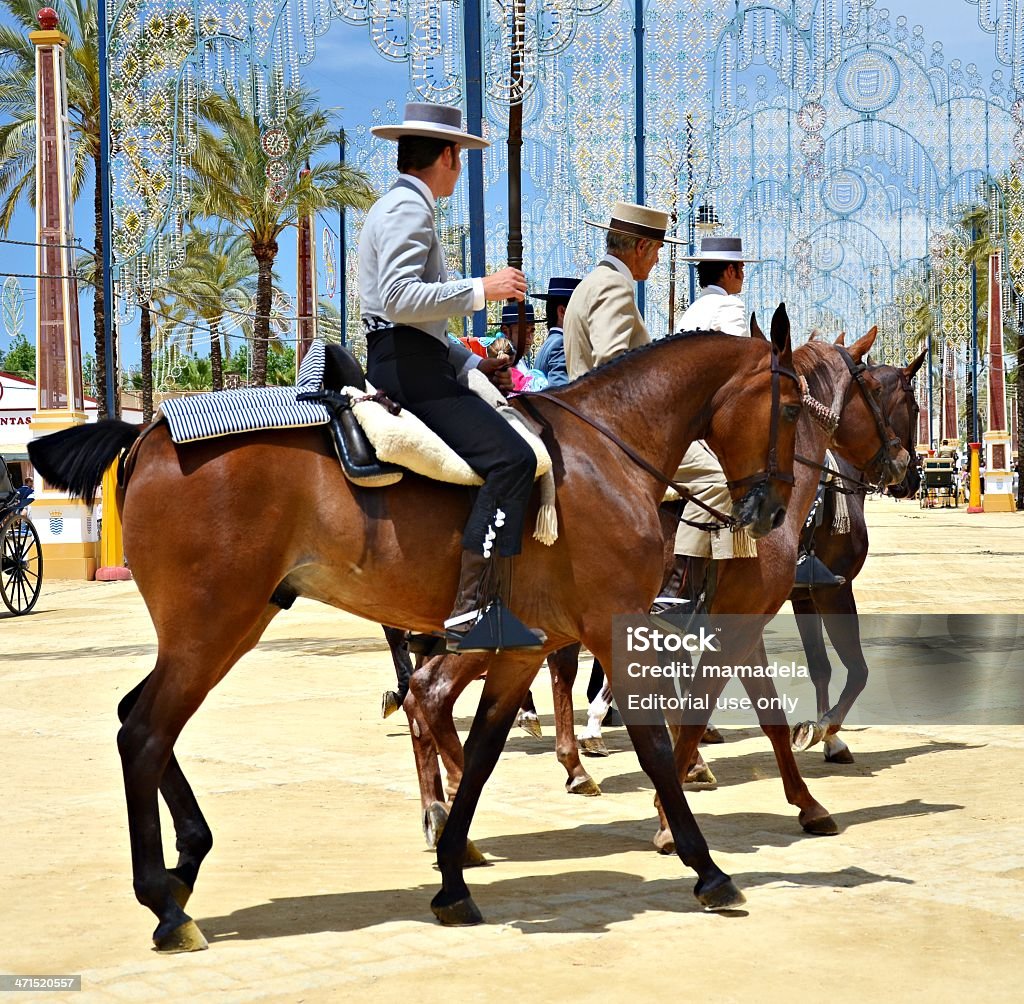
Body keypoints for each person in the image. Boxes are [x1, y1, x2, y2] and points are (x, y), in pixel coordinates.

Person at [359, 102, 543, 653]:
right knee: (512, 460)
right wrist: (481, 290)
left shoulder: (397, 206)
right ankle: (472, 610)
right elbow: (397, 299)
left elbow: (421, 322)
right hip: (409, 364)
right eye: (459, 156)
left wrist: (471, 365)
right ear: (447, 156)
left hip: (416, 358)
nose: (459, 167)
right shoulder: (408, 211)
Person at [671, 235, 843, 591]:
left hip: (688, 417)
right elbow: (745, 376)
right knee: (747, 478)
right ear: (731, 271)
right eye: (742, 269)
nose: (743, 275)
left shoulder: (691, 312)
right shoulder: (730, 307)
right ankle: (686, 581)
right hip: (712, 422)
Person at [563, 201, 677, 378]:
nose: (657, 260)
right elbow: (611, 365)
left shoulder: (591, 282)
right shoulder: (613, 283)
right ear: (641, 247)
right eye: (657, 249)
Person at [532, 277, 581, 387]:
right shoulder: (561, 344)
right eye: (580, 309)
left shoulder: (549, 343)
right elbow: (560, 394)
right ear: (562, 311)